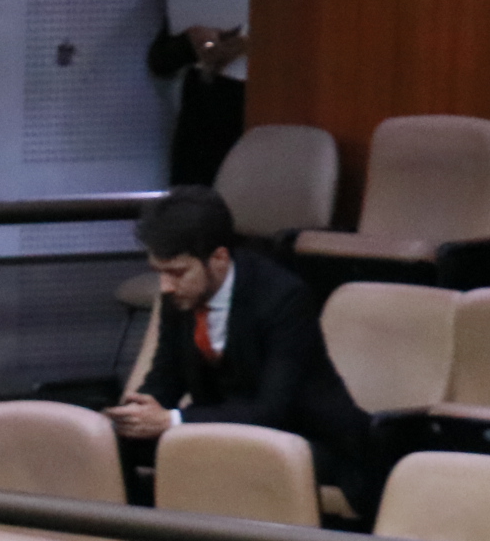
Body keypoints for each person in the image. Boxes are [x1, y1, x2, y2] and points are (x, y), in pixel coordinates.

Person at [108, 186, 372, 514]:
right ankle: (135, 535)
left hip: (309, 440)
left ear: (219, 258)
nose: (165, 286)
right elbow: (165, 378)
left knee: (209, 452)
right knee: (112, 443)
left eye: (176, 272)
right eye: (159, 272)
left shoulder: (284, 298)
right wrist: (134, 415)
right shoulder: (180, 296)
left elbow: (272, 410)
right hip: (222, 432)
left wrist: (173, 419)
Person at [150, 0, 255, 186]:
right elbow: (160, 60)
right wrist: (196, 41)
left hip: (262, 119)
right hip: (206, 121)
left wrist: (248, 43)